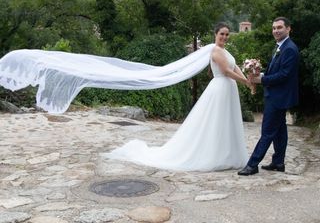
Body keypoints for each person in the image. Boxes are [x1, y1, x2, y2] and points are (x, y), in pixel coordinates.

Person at [102, 22, 252, 171]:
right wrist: (245, 81)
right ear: (216, 34)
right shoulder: (216, 51)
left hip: (229, 89)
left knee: (227, 121)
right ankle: (215, 155)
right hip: (220, 88)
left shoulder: (225, 51)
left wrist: (247, 81)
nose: (224, 37)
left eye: (227, 34)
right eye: (222, 34)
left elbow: (235, 66)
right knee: (217, 122)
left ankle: (228, 154)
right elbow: (225, 71)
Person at [238, 17, 299, 176]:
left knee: (267, 131)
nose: (276, 31)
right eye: (273, 28)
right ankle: (278, 162)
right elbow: (276, 72)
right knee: (279, 130)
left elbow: (285, 75)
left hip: (279, 97)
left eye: (279, 27)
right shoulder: (280, 47)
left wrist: (262, 80)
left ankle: (252, 165)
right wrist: (260, 73)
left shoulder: (290, 49)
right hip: (276, 95)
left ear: (288, 29)